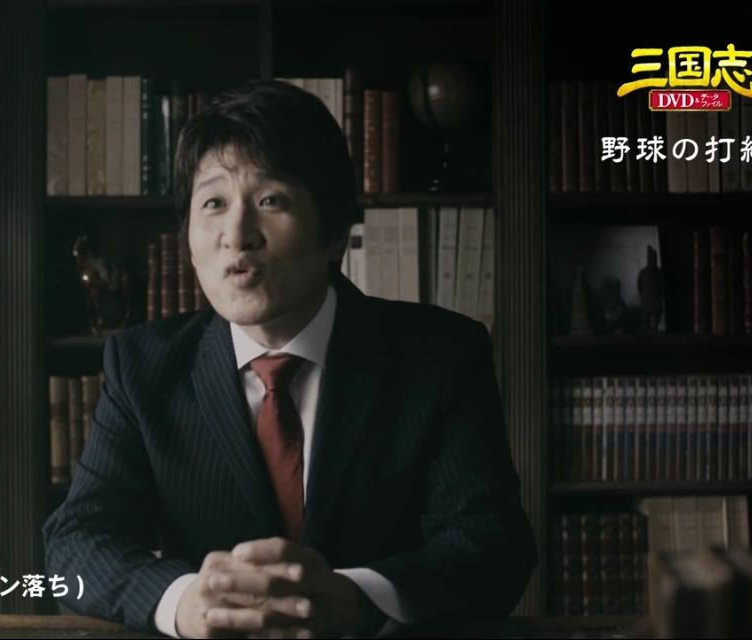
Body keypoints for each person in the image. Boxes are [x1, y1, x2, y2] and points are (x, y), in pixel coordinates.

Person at [42, 79, 536, 638]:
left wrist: (358, 599)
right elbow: (76, 541)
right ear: (189, 242)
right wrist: (182, 601)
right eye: (213, 204)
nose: (237, 235)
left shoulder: (440, 356)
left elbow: (492, 546)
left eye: (270, 200)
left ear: (334, 234)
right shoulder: (142, 367)